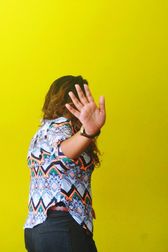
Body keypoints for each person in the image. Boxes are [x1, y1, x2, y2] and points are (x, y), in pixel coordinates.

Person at [23, 75, 106, 252]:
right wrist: (89, 132)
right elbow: (62, 154)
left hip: (39, 228)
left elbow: (55, 171)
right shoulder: (62, 127)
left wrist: (80, 203)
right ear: (72, 100)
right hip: (61, 229)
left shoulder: (43, 131)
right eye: (82, 96)